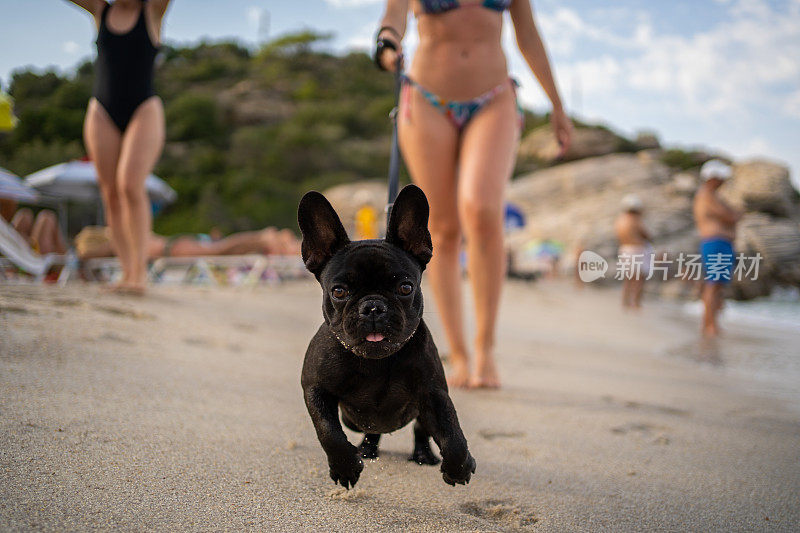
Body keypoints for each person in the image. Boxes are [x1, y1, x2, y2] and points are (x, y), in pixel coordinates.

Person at [375, 0, 573, 388]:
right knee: (444, 230)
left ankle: (485, 350)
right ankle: (461, 355)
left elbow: (528, 37)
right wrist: (387, 42)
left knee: (483, 210)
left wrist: (557, 105)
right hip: (426, 97)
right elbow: (394, 15)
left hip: (494, 97)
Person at [67, 0, 172, 295]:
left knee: (129, 185)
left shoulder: (152, 10)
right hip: (102, 111)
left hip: (144, 109)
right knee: (110, 192)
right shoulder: (101, 9)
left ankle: (139, 275)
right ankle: (127, 272)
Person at [693, 160, 741, 338]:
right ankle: (710, 325)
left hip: (719, 243)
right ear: (712, 178)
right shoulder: (707, 194)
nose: (723, 182)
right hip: (715, 243)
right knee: (713, 284)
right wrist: (735, 213)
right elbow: (729, 216)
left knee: (716, 284)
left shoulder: (710, 195)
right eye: (721, 178)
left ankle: (711, 323)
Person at [75, 226, 300, 260]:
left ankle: (262, 237)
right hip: (171, 247)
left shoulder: (117, 241)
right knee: (218, 250)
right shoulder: (124, 236)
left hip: (170, 250)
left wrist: (82, 255)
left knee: (218, 251)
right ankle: (261, 238)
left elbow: (85, 255)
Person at [615, 194, 653, 309]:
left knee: (628, 277)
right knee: (639, 278)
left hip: (624, 249)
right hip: (637, 250)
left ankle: (625, 301)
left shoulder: (619, 220)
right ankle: (636, 303)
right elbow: (645, 234)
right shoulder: (635, 220)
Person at [2, 203, 68, 255]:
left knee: (26, 215)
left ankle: (65, 256)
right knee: (46, 217)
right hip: (36, 257)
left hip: (18, 250)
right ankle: (65, 256)